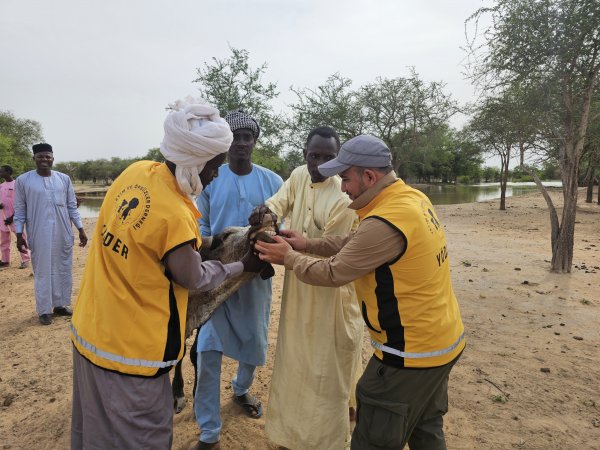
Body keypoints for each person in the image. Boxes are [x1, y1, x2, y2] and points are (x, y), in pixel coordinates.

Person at [70, 98, 267, 450]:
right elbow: (193, 277)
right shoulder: (176, 212)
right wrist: (242, 266)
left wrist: (210, 239)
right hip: (133, 354)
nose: (216, 174)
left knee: (98, 432)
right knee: (143, 437)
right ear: (196, 160)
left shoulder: (135, 172)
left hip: (90, 333)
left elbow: (147, 241)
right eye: (214, 165)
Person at [255, 135, 466, 450]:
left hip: (408, 353)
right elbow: (356, 242)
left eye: (345, 178)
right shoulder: (409, 199)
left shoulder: (386, 219)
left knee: (373, 431)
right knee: (426, 428)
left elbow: (334, 272)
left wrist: (288, 257)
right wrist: (306, 244)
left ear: (370, 177)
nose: (341, 187)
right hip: (444, 342)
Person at [261, 126, 363, 450]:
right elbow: (278, 203)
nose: (318, 163)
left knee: (325, 370)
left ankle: (326, 441)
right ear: (304, 154)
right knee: (295, 362)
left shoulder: (343, 196)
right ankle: (290, 435)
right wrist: (266, 214)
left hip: (330, 293)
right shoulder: (297, 176)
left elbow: (333, 254)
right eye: (313, 155)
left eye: (328, 157)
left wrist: (288, 253)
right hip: (298, 290)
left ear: (338, 158)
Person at [193, 110, 283, 450]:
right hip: (217, 276)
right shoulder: (211, 178)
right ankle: (208, 430)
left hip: (255, 276)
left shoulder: (273, 181)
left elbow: (282, 226)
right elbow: (199, 228)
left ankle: (241, 389)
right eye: (235, 137)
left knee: (253, 342)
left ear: (255, 142)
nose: (242, 143)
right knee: (207, 349)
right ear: (226, 142)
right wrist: (207, 250)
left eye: (248, 137)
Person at [14, 144, 88, 325]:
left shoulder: (64, 179)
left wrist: (80, 229)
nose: (44, 160)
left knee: (63, 267)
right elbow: (20, 209)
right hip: (39, 231)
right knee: (43, 269)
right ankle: (44, 310)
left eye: (48, 156)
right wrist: (18, 234)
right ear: (34, 159)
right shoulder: (23, 180)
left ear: (53, 158)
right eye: (40, 157)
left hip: (63, 231)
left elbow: (72, 206)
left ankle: (61, 305)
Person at [0, 165, 31, 269]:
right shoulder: (1, 186)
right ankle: (5, 261)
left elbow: (22, 203)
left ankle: (25, 260)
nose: (0, 172)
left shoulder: (17, 185)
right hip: (3, 218)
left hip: (16, 218)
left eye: (2, 171)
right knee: (4, 241)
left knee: (21, 238)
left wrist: (12, 217)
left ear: (8, 172)